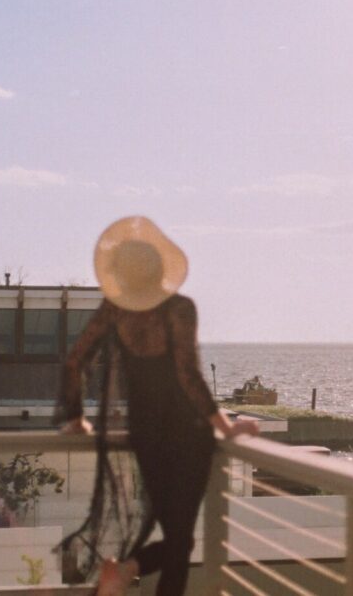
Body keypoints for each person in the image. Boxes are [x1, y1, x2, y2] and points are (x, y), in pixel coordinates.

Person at [56, 216, 258, 596]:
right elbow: (188, 376)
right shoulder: (179, 308)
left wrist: (75, 418)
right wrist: (227, 428)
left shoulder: (115, 311)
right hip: (188, 435)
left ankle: (123, 572)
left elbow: (74, 361)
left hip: (146, 435)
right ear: (160, 268)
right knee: (181, 543)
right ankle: (126, 570)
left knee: (179, 541)